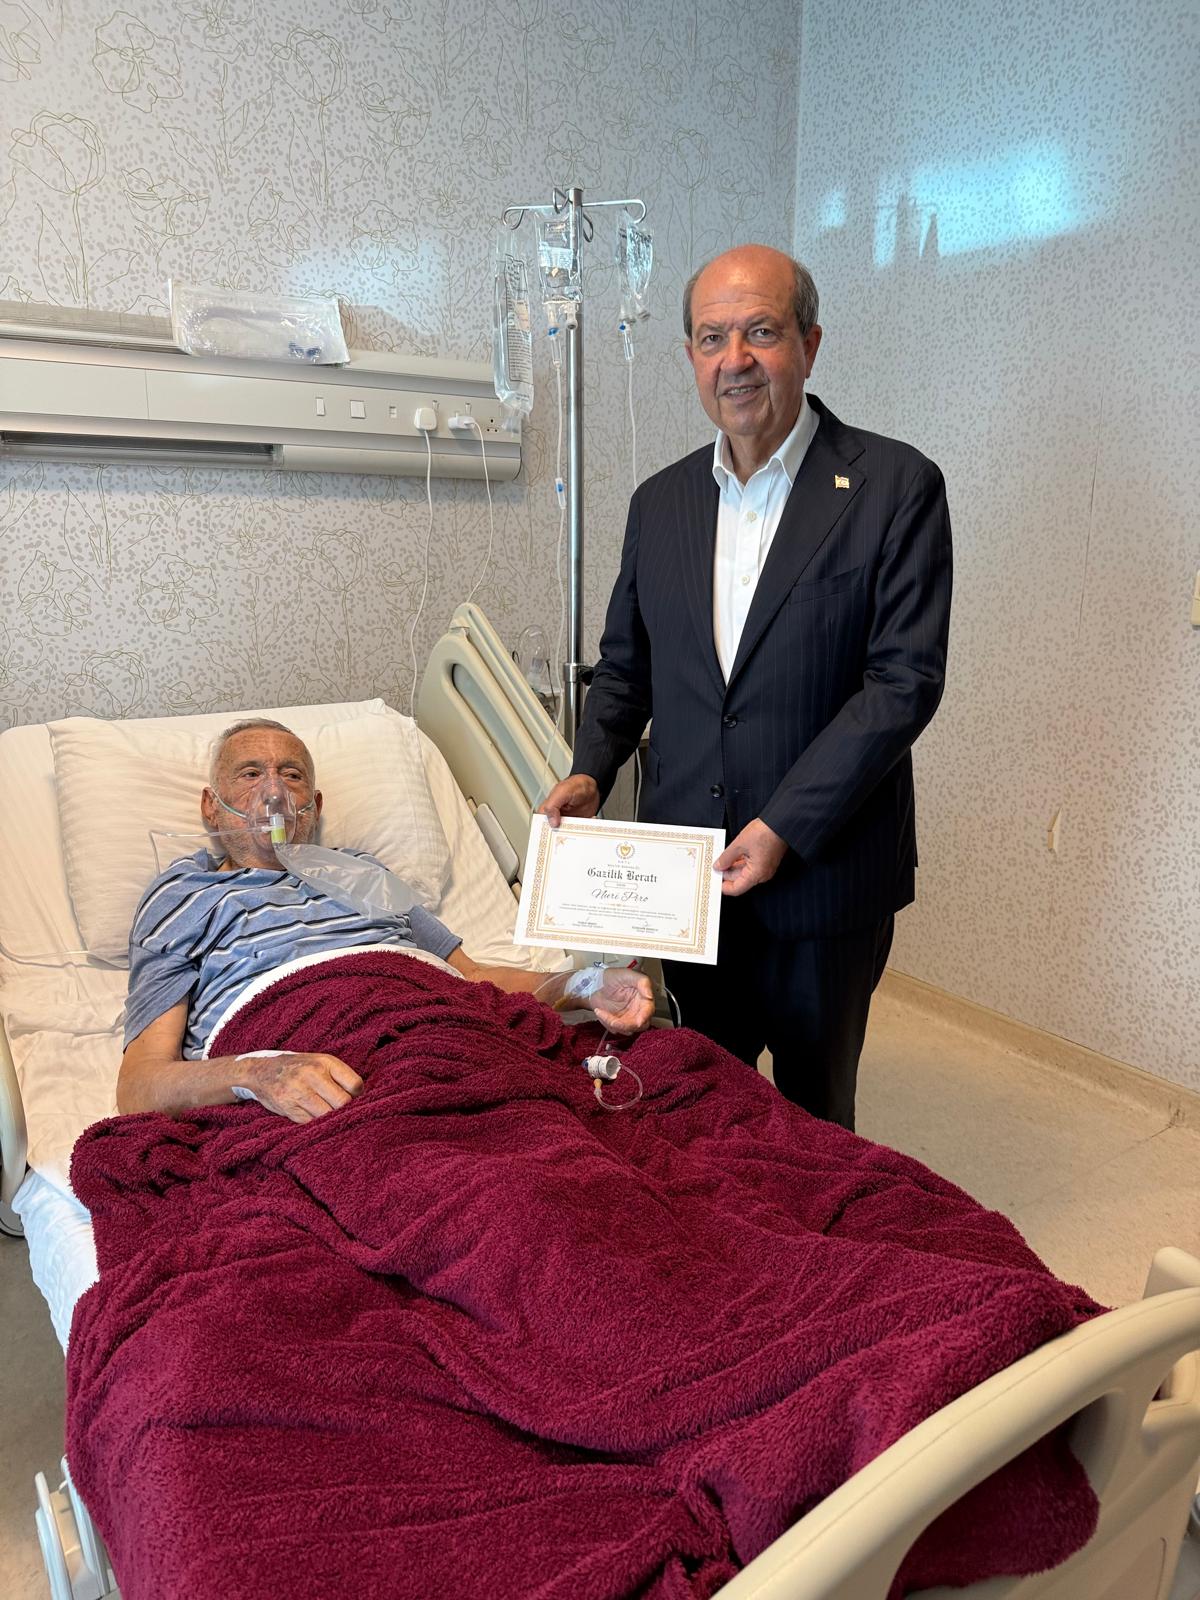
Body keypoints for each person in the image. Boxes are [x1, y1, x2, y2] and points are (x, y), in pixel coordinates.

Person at [540, 245, 952, 1130]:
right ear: (690, 356)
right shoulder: (660, 504)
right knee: (698, 1103)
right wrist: (590, 768)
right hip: (689, 875)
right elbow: (627, 666)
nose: (735, 360)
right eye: (711, 337)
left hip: (825, 870)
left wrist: (783, 826)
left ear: (809, 344)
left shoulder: (893, 486)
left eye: (761, 332)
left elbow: (902, 684)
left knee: (813, 1117)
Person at [118, 718, 653, 1123]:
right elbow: (141, 1083)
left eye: (291, 775)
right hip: (317, 1059)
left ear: (314, 804)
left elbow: (473, 977)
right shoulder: (184, 895)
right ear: (211, 807)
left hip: (442, 1031)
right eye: (251, 774)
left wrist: (584, 984)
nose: (273, 792)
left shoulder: (362, 872)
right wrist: (257, 1073)